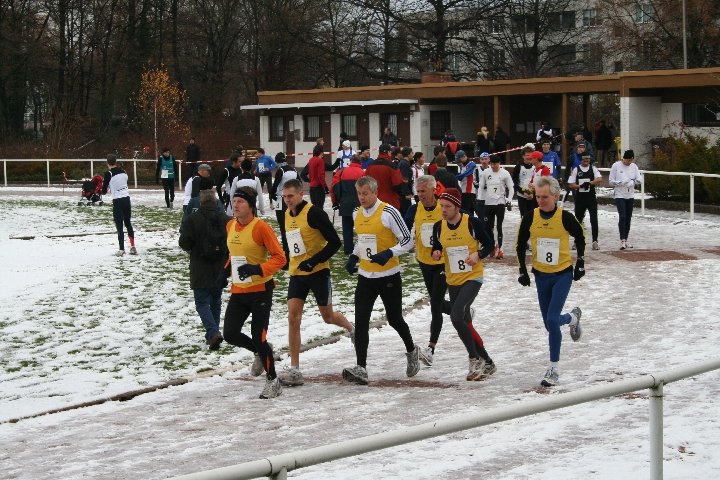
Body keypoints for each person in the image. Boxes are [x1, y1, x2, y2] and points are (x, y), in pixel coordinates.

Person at [342, 176, 421, 385]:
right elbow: (363, 240)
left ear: (375, 192)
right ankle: (361, 367)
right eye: (359, 194)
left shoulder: (389, 212)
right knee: (361, 322)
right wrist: (354, 256)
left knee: (394, 319)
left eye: (366, 193)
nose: (362, 197)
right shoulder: (356, 213)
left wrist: (389, 253)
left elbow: (408, 241)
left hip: (389, 276)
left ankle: (412, 350)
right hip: (366, 276)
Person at [277, 179, 355, 386]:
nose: (288, 201)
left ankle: (351, 328)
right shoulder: (286, 214)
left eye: (291, 196)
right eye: (285, 197)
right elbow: (289, 242)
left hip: (319, 272)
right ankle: (295, 368)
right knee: (293, 318)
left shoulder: (314, 213)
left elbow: (335, 242)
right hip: (297, 273)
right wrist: (285, 261)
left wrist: (314, 261)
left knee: (328, 317)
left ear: (301, 194)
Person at [515, 176, 585, 387]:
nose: (541, 200)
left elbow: (580, 237)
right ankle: (572, 318)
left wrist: (580, 262)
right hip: (541, 275)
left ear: (556, 196)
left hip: (563, 274)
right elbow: (519, 244)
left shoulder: (565, 217)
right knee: (549, 323)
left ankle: (553, 369)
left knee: (552, 320)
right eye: (538, 196)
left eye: (545, 197)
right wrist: (522, 270)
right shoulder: (530, 217)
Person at [224, 187, 286, 399]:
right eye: (234, 201)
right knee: (230, 333)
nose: (236, 205)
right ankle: (261, 351)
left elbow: (280, 258)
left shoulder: (261, 227)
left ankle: (273, 380)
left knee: (258, 335)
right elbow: (234, 255)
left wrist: (257, 269)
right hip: (239, 290)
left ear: (251, 206)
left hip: (260, 291)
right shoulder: (230, 225)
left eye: (241, 201)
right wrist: (224, 272)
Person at [430, 188, 496, 381]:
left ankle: (474, 358)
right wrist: (436, 252)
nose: (443, 210)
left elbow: (489, 244)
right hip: (453, 279)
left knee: (456, 316)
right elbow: (438, 246)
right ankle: (488, 361)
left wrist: (479, 254)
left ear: (457, 206)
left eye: (447, 206)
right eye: (441, 206)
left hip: (472, 277)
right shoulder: (438, 226)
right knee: (465, 322)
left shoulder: (471, 222)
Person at [179, 188, 231, 350]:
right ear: (216, 202)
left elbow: (184, 243)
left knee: (201, 302)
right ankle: (213, 333)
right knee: (215, 300)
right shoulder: (226, 220)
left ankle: (213, 332)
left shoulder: (193, 219)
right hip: (220, 265)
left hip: (199, 266)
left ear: (200, 202)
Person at [477, 155, 514, 259]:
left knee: (499, 226)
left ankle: (501, 248)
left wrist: (509, 200)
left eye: (495, 164)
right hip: (488, 203)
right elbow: (480, 186)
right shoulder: (486, 172)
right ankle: (492, 246)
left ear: (499, 163)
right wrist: (480, 198)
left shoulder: (505, 173)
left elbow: (511, 188)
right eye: (492, 164)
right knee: (487, 227)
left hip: (500, 203)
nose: (493, 166)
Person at [609, 150, 644, 250]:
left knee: (628, 217)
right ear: (623, 158)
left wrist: (632, 182)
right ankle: (622, 240)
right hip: (620, 194)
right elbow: (611, 181)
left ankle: (626, 239)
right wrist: (621, 182)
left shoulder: (634, 166)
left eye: (630, 160)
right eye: (627, 160)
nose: (628, 162)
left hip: (630, 194)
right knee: (623, 216)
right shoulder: (616, 166)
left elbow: (639, 179)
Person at [103, 154, 137, 256]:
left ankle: (121, 249)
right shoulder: (124, 171)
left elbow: (104, 191)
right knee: (128, 222)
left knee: (119, 225)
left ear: (108, 163)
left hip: (118, 200)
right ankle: (132, 246)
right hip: (127, 199)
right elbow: (124, 182)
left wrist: (105, 189)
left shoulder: (108, 173)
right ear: (116, 162)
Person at [269, 152, 300, 263]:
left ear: (277, 161)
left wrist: (272, 197)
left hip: (280, 199)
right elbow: (299, 183)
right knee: (293, 225)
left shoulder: (280, 171)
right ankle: (296, 251)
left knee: (283, 227)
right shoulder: (294, 170)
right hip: (293, 199)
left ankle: (286, 255)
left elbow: (274, 186)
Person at [568, 154, 603, 251]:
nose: (586, 161)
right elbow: (571, 184)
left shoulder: (593, 168)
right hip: (580, 198)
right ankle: (576, 241)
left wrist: (590, 183)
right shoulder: (576, 170)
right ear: (581, 160)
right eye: (584, 159)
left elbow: (599, 178)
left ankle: (595, 241)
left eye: (587, 159)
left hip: (591, 198)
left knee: (594, 220)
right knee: (578, 220)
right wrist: (580, 186)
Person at [330, 154, 364, 254]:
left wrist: (335, 202)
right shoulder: (362, 173)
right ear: (360, 163)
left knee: (347, 229)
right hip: (360, 205)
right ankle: (362, 249)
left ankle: (348, 250)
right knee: (361, 229)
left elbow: (333, 187)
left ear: (350, 161)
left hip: (345, 204)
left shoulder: (341, 172)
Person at [364, 144, 404, 210]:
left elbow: (365, 182)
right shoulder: (392, 166)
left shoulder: (370, 166)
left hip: (374, 201)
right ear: (388, 152)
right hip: (390, 202)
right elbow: (398, 185)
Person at [512, 146, 536, 220]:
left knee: (533, 217)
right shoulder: (518, 167)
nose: (529, 157)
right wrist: (524, 192)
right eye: (527, 155)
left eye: (531, 155)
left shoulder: (535, 167)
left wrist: (532, 193)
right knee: (524, 217)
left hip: (533, 195)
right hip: (522, 195)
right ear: (523, 156)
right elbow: (514, 183)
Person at [455, 150, 477, 214]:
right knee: (464, 213)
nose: (459, 162)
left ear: (464, 156)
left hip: (470, 192)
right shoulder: (463, 166)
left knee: (468, 213)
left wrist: (455, 177)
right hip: (463, 192)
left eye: (459, 160)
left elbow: (465, 174)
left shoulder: (472, 164)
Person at [397, 147, 414, 217]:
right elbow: (404, 180)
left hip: (403, 192)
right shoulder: (404, 164)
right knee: (406, 213)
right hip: (404, 194)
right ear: (408, 154)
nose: (413, 154)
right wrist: (406, 193)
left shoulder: (403, 163)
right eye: (412, 153)